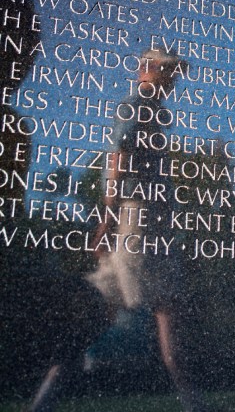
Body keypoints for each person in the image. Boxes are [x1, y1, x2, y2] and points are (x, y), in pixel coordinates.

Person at [30, 49, 208, 412]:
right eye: (167, 71)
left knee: (92, 318)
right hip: (139, 224)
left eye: (175, 73)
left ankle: (41, 404)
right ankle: (194, 405)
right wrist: (107, 219)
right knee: (165, 309)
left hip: (141, 222)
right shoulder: (137, 105)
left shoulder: (154, 112)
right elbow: (118, 158)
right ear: (147, 70)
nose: (173, 80)